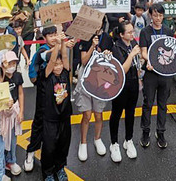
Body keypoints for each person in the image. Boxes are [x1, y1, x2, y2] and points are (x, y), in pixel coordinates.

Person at [37, 31, 72, 181]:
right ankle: (48, 172)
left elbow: (64, 57)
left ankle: (60, 168)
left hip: (64, 116)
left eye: (60, 64)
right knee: (49, 147)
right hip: (50, 118)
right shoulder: (47, 75)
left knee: (63, 145)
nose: (58, 67)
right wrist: (57, 44)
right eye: (55, 64)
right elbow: (51, 62)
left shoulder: (65, 72)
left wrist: (63, 42)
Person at [138, 3, 172, 149]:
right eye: (155, 15)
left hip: (165, 73)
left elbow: (173, 51)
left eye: (160, 15)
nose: (158, 18)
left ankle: (161, 132)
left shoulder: (168, 31)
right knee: (148, 103)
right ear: (150, 16)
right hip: (151, 73)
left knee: (163, 104)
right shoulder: (145, 32)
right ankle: (146, 131)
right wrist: (149, 60)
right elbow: (143, 51)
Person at [108, 20, 141, 162]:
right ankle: (114, 143)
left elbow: (137, 64)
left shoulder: (133, 44)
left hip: (133, 83)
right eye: (129, 32)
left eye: (132, 31)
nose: (132, 34)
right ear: (121, 35)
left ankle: (129, 139)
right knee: (116, 113)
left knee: (131, 112)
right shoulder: (116, 48)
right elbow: (122, 70)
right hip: (120, 86)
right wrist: (132, 55)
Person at [74, 33, 107, 162]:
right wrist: (93, 46)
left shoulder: (106, 38)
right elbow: (84, 61)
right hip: (86, 79)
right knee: (86, 115)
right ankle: (83, 143)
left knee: (98, 114)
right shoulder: (85, 39)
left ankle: (97, 139)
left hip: (100, 80)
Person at [1, 51, 24, 175]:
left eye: (14, 62)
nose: (12, 65)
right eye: (9, 63)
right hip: (3, 114)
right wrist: (2, 69)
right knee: (2, 139)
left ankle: (11, 161)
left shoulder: (18, 76)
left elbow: (20, 93)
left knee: (13, 138)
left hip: (14, 111)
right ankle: (0, 163)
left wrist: (21, 112)